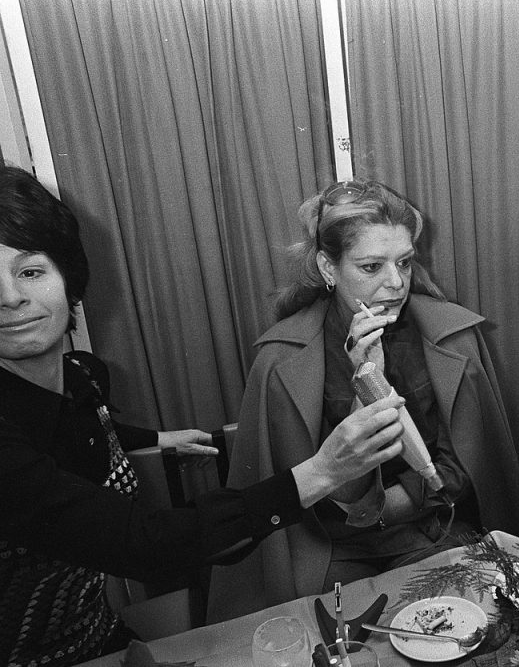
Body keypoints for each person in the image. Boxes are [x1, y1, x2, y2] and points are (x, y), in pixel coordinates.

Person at [0, 165, 406, 667]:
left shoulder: (80, 377)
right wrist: (323, 471)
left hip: (98, 636)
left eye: (30, 271)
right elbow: (143, 542)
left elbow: (71, 431)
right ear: (327, 267)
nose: (10, 297)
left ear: (69, 280)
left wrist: (156, 438)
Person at [207, 179, 519, 622]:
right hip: (329, 547)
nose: (395, 283)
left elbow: (464, 466)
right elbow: (309, 491)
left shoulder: (452, 338)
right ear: (328, 267)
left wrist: (387, 507)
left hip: (431, 530)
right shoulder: (280, 360)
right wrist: (367, 381)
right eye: (371, 267)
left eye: (404, 262)